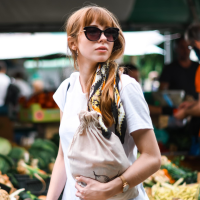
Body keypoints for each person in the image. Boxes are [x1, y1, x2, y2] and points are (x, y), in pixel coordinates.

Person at [47, 5, 161, 200]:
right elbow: (63, 156)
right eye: (92, 31)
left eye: (110, 33)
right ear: (73, 43)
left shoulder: (125, 87)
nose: (102, 38)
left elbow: (152, 158)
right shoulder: (67, 89)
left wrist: (108, 189)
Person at [159, 36, 199, 100]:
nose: (185, 50)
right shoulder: (169, 68)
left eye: (188, 47)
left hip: (196, 105)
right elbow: (162, 91)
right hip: (177, 107)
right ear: (176, 48)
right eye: (182, 47)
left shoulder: (197, 67)